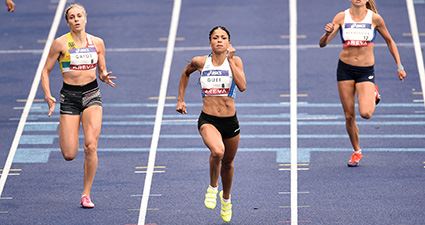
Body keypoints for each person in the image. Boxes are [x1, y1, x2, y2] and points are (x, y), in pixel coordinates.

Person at [41, 3, 116, 208]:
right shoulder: (60, 44)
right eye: (72, 17)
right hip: (69, 97)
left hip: (92, 94)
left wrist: (104, 75)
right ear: (67, 22)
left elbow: (102, 70)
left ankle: (86, 194)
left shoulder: (97, 43)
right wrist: (48, 95)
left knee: (91, 145)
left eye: (79, 16)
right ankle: (67, 127)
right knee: (69, 154)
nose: (76, 19)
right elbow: (45, 71)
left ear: (85, 18)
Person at [319, 0, 407, 167]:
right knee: (348, 115)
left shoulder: (375, 19)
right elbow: (322, 44)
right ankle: (357, 151)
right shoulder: (341, 17)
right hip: (344, 69)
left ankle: (373, 92)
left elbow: (390, 41)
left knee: (366, 113)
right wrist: (327, 33)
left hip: (365, 71)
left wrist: (399, 65)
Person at [176, 26, 246, 222]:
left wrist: (231, 60)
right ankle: (213, 187)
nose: (219, 41)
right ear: (210, 42)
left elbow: (242, 86)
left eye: (223, 38)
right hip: (208, 120)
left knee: (228, 163)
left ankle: (226, 199)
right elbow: (185, 73)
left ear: (229, 43)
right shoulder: (200, 62)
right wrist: (180, 99)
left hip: (230, 121)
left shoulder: (235, 61)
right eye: (215, 38)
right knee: (217, 151)